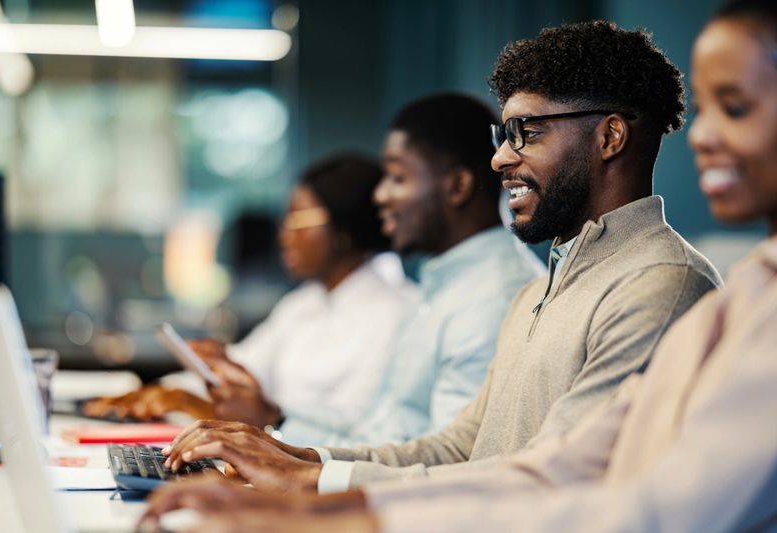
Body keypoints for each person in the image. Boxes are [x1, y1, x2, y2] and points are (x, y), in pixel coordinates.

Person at [141, 1, 777, 531]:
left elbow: (593, 497)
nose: (501, 160)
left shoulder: (663, 287)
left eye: (526, 132)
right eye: (504, 135)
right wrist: (303, 465)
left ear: (610, 138)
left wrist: (323, 501)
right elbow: (473, 452)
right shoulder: (539, 294)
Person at [90, 94, 545, 448]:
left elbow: (443, 465)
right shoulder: (443, 288)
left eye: (398, 178)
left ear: (459, 186)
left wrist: (276, 437)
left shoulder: (488, 298)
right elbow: (383, 438)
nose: (382, 196)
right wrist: (274, 439)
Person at [85, 153, 418, 444]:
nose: (284, 234)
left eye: (297, 220)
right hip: (267, 454)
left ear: (344, 229)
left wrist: (237, 411)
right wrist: (167, 392)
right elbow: (247, 366)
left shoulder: (398, 313)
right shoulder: (303, 303)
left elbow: (356, 431)